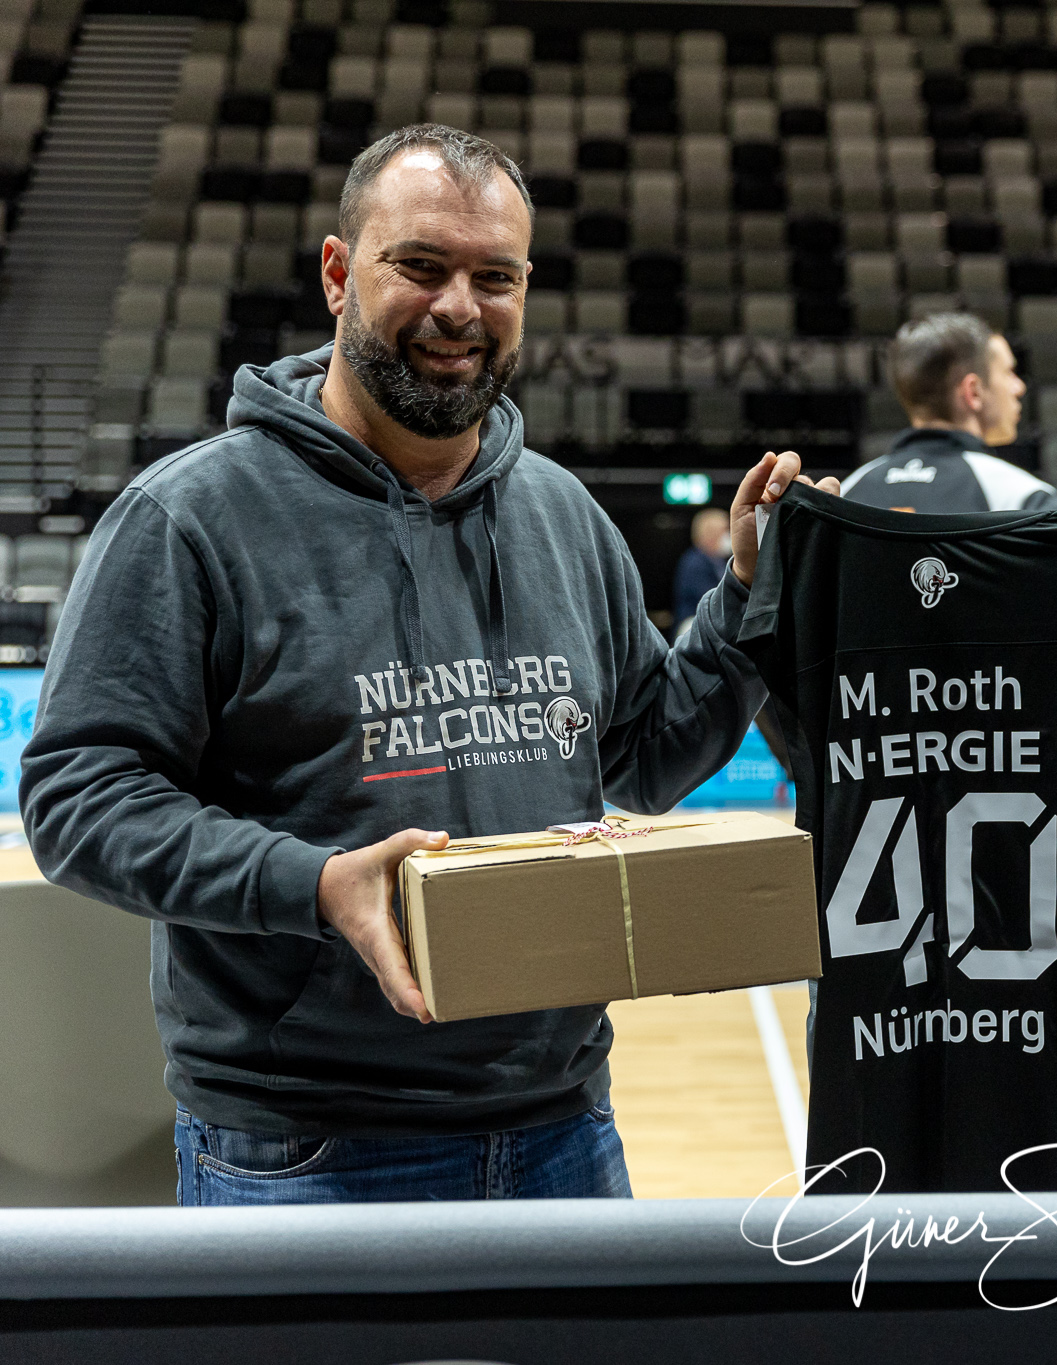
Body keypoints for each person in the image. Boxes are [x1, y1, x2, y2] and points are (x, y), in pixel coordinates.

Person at [20, 125, 834, 1205]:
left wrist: (741, 595)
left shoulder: (560, 514)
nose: (460, 307)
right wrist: (309, 885)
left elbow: (642, 753)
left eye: (494, 277)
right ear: (337, 273)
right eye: (421, 266)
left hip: (564, 1129)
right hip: (303, 1147)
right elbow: (77, 800)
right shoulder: (189, 520)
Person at [840, 312, 1057, 514]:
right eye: (1009, 372)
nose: (1019, 388)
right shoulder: (1022, 498)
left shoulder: (846, 492)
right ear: (973, 391)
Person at [671, 507, 729, 629]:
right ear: (709, 534)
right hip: (693, 626)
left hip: (711, 624)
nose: (728, 535)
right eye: (724, 530)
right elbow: (709, 598)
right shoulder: (694, 562)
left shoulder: (718, 561)